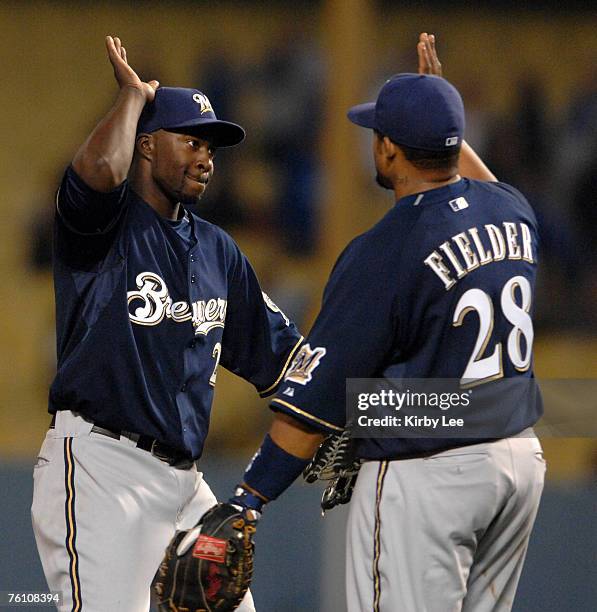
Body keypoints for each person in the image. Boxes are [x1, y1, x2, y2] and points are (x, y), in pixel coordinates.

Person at [222, 33, 546, 611]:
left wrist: (249, 497)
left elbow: (313, 405)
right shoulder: (513, 209)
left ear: (390, 150)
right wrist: (441, 115)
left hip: (430, 477)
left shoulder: (384, 251)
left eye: (379, 134)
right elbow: (475, 182)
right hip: (518, 463)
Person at [31, 36, 303, 612]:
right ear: (147, 146)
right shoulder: (101, 227)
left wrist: (364, 405)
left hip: (185, 484)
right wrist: (132, 98)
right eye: (192, 141)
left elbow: (283, 361)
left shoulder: (218, 250)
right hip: (103, 468)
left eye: (213, 146)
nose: (207, 157)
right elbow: (100, 169)